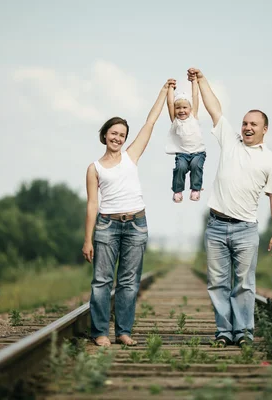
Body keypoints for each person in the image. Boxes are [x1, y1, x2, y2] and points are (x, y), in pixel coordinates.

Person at [187, 67, 272, 348]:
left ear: (264, 129)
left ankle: (243, 332)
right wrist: (202, 80)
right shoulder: (231, 141)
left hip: (245, 229)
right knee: (217, 283)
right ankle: (224, 331)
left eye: (254, 124)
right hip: (216, 225)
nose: (247, 127)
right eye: (245, 123)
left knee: (244, 284)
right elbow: (215, 109)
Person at [82, 78, 176, 347]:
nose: (118, 137)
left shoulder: (131, 155)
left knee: (128, 282)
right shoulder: (94, 168)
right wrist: (88, 239)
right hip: (107, 227)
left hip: (135, 225)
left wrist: (162, 92)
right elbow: (92, 204)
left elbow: (150, 123)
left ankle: (123, 331)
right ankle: (100, 332)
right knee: (101, 281)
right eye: (113, 133)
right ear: (105, 135)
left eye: (122, 134)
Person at [164, 77, 206, 203]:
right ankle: (177, 191)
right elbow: (170, 103)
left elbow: (195, 96)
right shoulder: (175, 121)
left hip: (198, 152)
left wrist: (194, 81)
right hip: (182, 153)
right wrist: (170, 88)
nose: (181, 110)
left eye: (184, 108)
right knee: (180, 167)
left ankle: (195, 189)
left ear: (190, 108)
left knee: (195, 166)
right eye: (178, 108)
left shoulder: (193, 116)